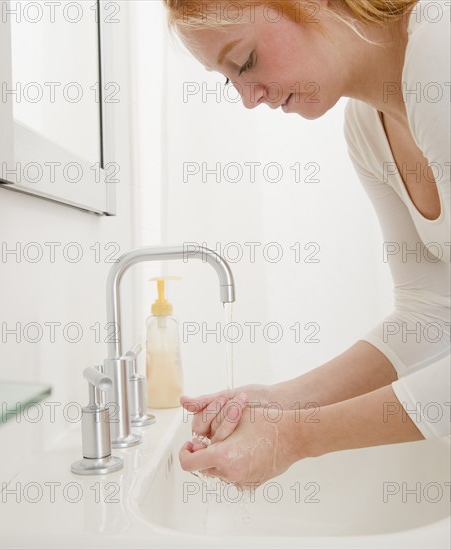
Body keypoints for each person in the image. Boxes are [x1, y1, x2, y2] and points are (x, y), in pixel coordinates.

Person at [162, 0, 451, 487]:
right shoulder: (365, 126)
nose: (248, 98)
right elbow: (431, 309)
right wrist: (283, 401)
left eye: (245, 62)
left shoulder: (439, 50)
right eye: (228, 80)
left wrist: (295, 437)